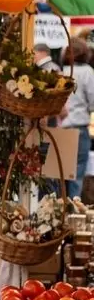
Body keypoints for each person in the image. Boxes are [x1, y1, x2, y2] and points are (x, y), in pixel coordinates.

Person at [59, 37, 94, 199]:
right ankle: (73, 207)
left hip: (60, 128)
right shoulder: (87, 72)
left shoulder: (61, 71)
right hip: (79, 127)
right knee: (77, 174)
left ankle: (59, 207)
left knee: (60, 173)